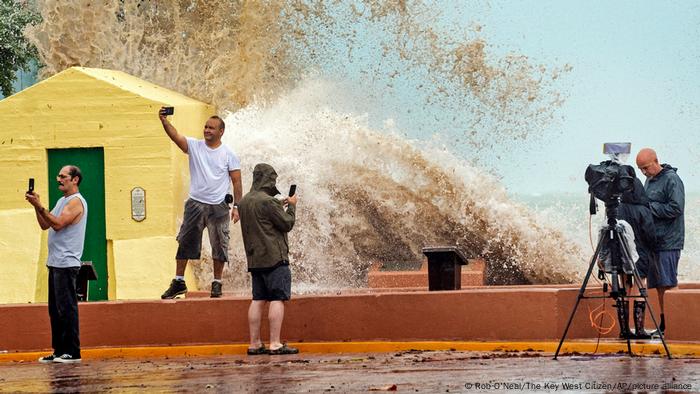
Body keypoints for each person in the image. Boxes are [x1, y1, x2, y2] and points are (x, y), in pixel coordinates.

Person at [159, 108, 242, 299]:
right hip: (195, 204)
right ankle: (179, 281)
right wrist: (164, 122)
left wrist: (237, 207)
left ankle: (217, 283)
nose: (207, 130)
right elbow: (176, 137)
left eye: (211, 128)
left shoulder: (229, 153)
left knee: (220, 244)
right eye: (205, 127)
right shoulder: (195, 146)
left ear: (221, 131)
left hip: (219, 206)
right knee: (185, 241)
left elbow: (237, 181)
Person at [26, 165, 88, 363]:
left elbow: (59, 224)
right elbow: (46, 224)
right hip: (55, 262)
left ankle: (73, 351)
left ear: (75, 179)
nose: (58, 179)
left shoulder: (76, 202)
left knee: (67, 307)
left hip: (66, 262)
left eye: (63, 176)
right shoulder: (62, 201)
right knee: (55, 310)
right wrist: (37, 206)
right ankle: (59, 350)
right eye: (58, 176)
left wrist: (40, 205)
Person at [238, 163, 299, 355]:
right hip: (275, 258)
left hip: (255, 260)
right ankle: (275, 343)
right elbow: (286, 224)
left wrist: (277, 206)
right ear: (269, 180)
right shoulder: (269, 202)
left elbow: (261, 218)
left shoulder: (245, 201)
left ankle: (254, 343)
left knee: (258, 299)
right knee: (277, 299)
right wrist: (292, 207)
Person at [636, 148, 685, 336]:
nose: (644, 172)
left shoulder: (672, 179)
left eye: (646, 168)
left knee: (669, 283)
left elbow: (676, 208)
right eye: (640, 169)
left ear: (656, 161)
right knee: (659, 285)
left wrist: (649, 208)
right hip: (653, 241)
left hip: (669, 241)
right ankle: (664, 325)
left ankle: (676, 326)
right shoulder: (649, 180)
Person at [617, 177, 656, 339]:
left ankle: (624, 331)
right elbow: (650, 235)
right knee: (641, 288)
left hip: (621, 254)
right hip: (640, 255)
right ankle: (639, 330)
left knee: (624, 288)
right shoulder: (642, 210)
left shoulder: (618, 208)